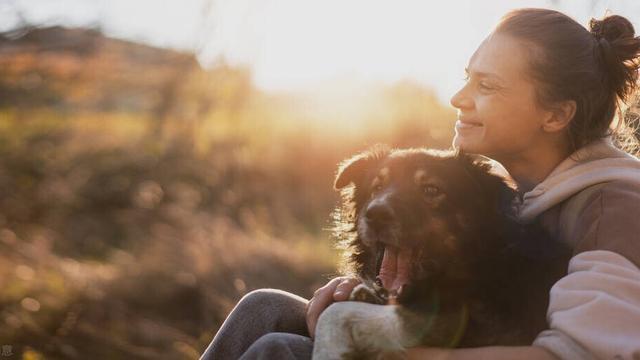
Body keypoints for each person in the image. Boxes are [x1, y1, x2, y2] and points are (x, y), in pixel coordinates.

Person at [201, 8, 640, 360]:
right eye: (467, 76)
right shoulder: (527, 191)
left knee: (278, 349)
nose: (458, 97)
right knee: (265, 309)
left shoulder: (614, 208)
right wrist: (367, 297)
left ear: (556, 115)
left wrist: (397, 349)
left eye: (486, 84)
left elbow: (581, 354)